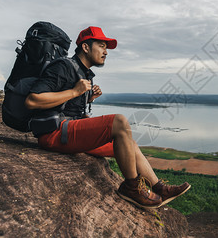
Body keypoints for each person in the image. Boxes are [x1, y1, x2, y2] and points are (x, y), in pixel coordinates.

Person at [25, 26, 190, 209]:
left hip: (69, 130)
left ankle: (159, 187)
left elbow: (68, 107)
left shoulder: (84, 72)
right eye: (102, 46)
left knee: (129, 143)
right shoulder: (63, 66)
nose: (106, 52)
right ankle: (131, 187)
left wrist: (87, 97)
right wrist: (74, 92)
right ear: (86, 47)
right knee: (118, 122)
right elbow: (32, 100)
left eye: (106, 48)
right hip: (54, 134)